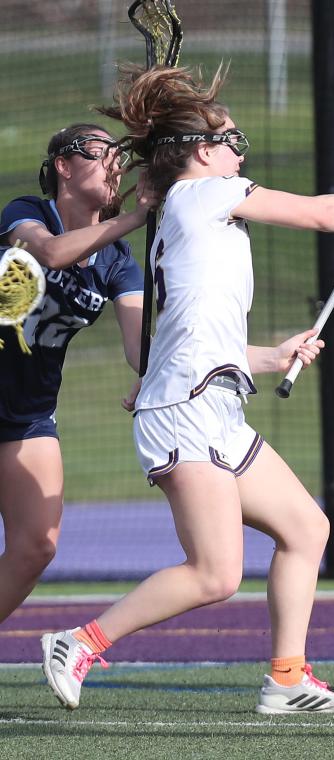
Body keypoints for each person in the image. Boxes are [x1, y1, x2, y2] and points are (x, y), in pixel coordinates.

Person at [39, 64, 334, 715]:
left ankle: (287, 678)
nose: (240, 154)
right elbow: (319, 215)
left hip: (214, 405)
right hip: (185, 414)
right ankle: (78, 642)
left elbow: (198, 339)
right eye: (236, 142)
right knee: (215, 573)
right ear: (202, 152)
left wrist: (272, 354)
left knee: (306, 528)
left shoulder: (194, 211)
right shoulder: (204, 196)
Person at [0, 123, 153, 627]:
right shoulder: (27, 214)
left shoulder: (116, 261)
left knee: (36, 546)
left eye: (118, 154)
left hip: (26, 413)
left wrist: (157, 374)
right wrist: (136, 215)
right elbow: (48, 254)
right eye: (99, 150)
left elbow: (140, 350)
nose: (114, 161)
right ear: (63, 166)